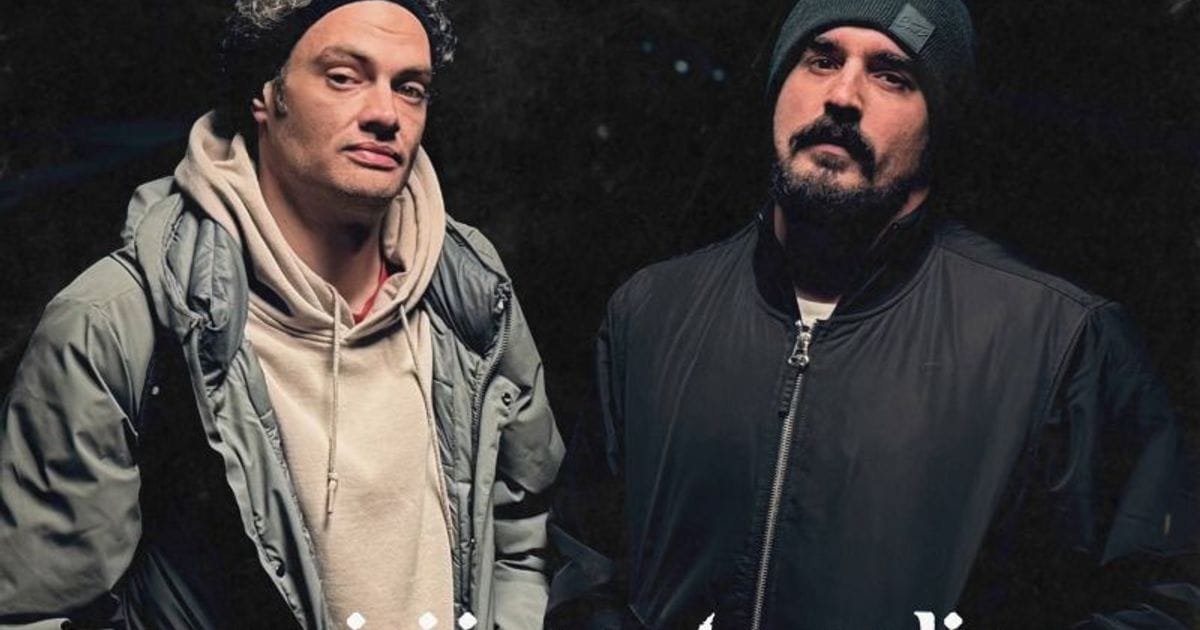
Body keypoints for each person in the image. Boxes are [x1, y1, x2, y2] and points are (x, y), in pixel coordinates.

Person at [549, 0, 1197, 628]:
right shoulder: (651, 314)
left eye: (892, 75)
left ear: (937, 125)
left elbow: (1164, 602)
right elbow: (586, 568)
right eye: (821, 60)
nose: (842, 96)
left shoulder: (1058, 343)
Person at [0, 1, 563, 628]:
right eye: (343, 76)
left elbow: (525, 543)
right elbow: (42, 610)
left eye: (410, 88)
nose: (386, 114)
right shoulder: (114, 322)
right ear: (265, 96)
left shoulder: (472, 290)